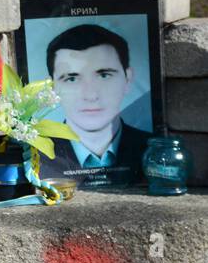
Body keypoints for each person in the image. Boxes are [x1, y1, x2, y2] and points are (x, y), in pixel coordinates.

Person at [39, 24, 151, 187]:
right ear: (52, 87)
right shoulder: (36, 156)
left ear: (127, 78)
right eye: (72, 79)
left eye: (104, 75)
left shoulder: (153, 149)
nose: (91, 95)